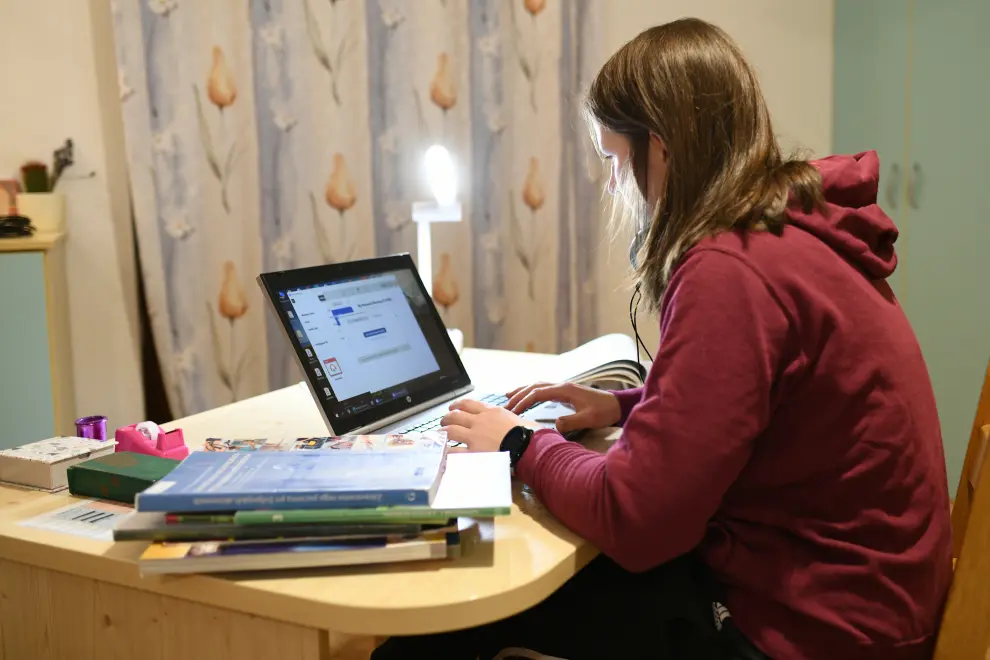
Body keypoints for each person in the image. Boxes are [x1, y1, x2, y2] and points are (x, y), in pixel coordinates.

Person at [372, 17, 952, 660]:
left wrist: (517, 443)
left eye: (613, 160)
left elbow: (636, 520)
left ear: (664, 147)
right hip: (872, 605)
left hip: (814, 633)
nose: (617, 185)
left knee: (438, 638)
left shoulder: (732, 268)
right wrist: (622, 405)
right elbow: (768, 394)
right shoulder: (792, 233)